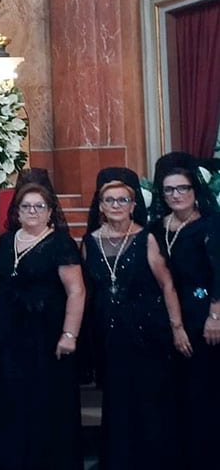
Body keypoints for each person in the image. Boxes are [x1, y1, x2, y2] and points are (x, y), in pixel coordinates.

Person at [81, 168, 186, 470]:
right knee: (118, 401)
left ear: (133, 205)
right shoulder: (89, 242)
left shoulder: (147, 238)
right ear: (101, 207)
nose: (116, 205)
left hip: (148, 331)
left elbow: (167, 285)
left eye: (122, 200)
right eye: (109, 200)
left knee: (150, 400)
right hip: (110, 334)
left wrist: (177, 327)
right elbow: (88, 291)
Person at [0, 180, 84, 470]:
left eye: (39, 206)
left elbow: (76, 291)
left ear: (50, 211)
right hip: (10, 338)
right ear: (16, 211)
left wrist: (69, 334)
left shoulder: (60, 243)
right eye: (26, 206)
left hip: (47, 338)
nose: (32, 211)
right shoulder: (7, 241)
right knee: (12, 403)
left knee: (45, 403)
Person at [148, 152, 220, 469]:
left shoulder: (210, 224)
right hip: (171, 315)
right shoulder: (157, 228)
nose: (176, 195)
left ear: (194, 190)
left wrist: (215, 316)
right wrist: (174, 325)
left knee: (204, 390)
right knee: (177, 391)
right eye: (169, 190)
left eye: (182, 188)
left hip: (207, 314)